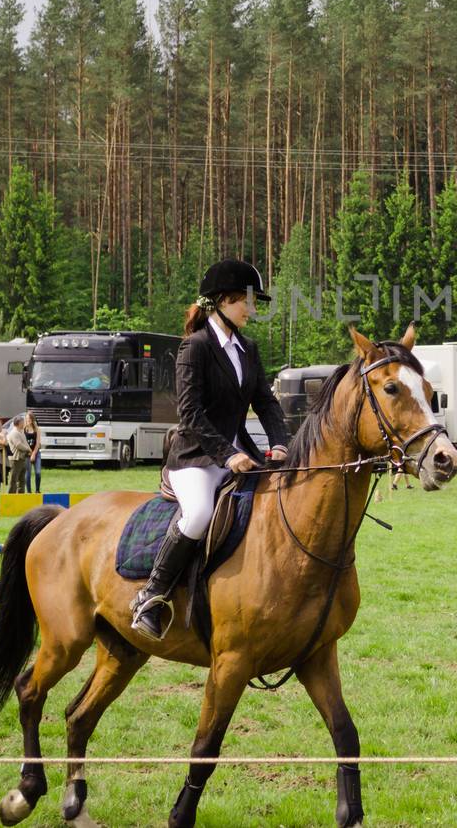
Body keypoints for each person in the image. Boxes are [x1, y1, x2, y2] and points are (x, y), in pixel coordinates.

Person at [133, 258, 291, 640]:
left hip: (241, 454)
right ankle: (151, 596)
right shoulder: (195, 347)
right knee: (201, 513)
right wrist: (227, 455)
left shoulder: (248, 349)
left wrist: (281, 442)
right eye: (246, 302)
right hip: (196, 458)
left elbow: (265, 403)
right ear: (223, 300)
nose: (252, 310)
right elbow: (189, 413)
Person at [6, 416, 31, 494]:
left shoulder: (21, 432)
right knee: (14, 479)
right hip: (15, 459)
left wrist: (29, 449)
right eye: (23, 422)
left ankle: (20, 496)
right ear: (18, 423)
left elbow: (25, 443)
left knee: (22, 480)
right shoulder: (14, 433)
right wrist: (28, 449)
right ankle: (10, 497)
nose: (24, 423)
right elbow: (18, 445)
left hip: (22, 459)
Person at [23, 413, 42, 493]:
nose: (28, 420)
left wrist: (34, 453)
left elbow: (38, 443)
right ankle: (29, 492)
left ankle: (37, 490)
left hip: (36, 453)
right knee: (28, 473)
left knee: (38, 472)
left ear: (32, 419)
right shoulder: (23, 430)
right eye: (27, 419)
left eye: (29, 419)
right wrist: (29, 453)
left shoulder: (37, 429)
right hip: (27, 454)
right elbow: (23, 442)